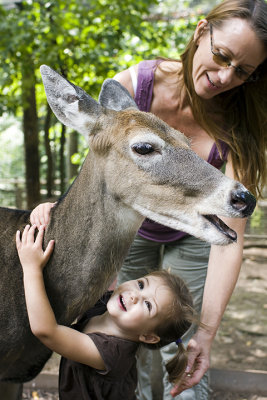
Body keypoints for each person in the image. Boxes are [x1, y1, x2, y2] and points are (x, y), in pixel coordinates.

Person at [30, 0, 267, 398]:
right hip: (131, 227)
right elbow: (100, 167)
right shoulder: (134, 86)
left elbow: (230, 239)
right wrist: (55, 206)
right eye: (222, 56)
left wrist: (205, 335)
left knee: (183, 348)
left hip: (197, 230)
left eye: (242, 71)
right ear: (200, 32)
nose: (226, 76)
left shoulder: (239, 122)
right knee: (127, 338)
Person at [16, 224, 197, 400]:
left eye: (148, 305)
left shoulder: (111, 354)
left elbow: (46, 330)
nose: (135, 295)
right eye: (141, 285)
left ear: (148, 337)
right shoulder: (107, 304)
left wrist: (32, 268)